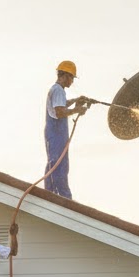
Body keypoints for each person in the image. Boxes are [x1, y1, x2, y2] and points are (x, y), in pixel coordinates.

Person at [44, 60, 90, 198]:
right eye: (71, 78)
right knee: (58, 166)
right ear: (65, 75)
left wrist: (76, 100)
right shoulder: (58, 90)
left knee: (56, 164)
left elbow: (61, 105)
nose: (72, 81)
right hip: (56, 134)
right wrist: (77, 109)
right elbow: (59, 112)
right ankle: (62, 198)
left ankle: (51, 193)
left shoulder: (57, 90)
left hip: (56, 134)